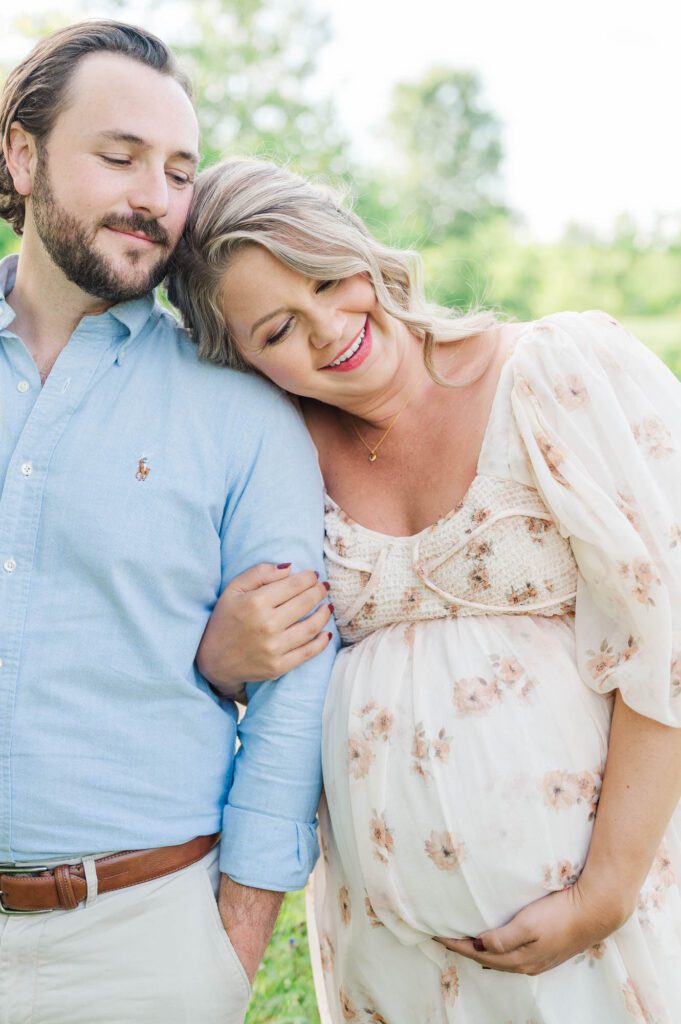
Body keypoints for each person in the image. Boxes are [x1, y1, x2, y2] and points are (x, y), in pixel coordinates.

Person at [167, 156, 681, 1024]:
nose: (330, 328)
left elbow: (667, 637)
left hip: (611, 919)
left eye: (329, 280)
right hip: (390, 954)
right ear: (245, 362)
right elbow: (214, 647)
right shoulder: (274, 459)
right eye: (278, 330)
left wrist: (603, 892)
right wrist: (219, 660)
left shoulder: (554, 372)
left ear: (359, 252)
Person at [0, 22, 335, 1024]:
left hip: (137, 946)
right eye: (119, 157)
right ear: (20, 154)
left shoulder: (243, 411)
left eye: (180, 170)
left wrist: (236, 935)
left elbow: (295, 680)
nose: (156, 195)